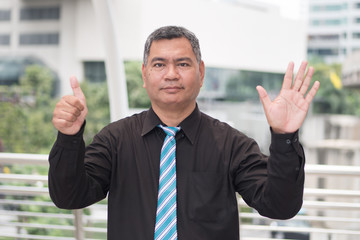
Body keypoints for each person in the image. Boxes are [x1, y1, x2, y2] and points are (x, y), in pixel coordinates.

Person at [49, 26, 320, 240]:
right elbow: (69, 196)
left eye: (183, 64)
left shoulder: (231, 144)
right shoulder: (115, 140)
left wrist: (284, 136)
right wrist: (70, 138)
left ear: (201, 73)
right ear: (144, 75)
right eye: (159, 65)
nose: (171, 74)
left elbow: (280, 206)